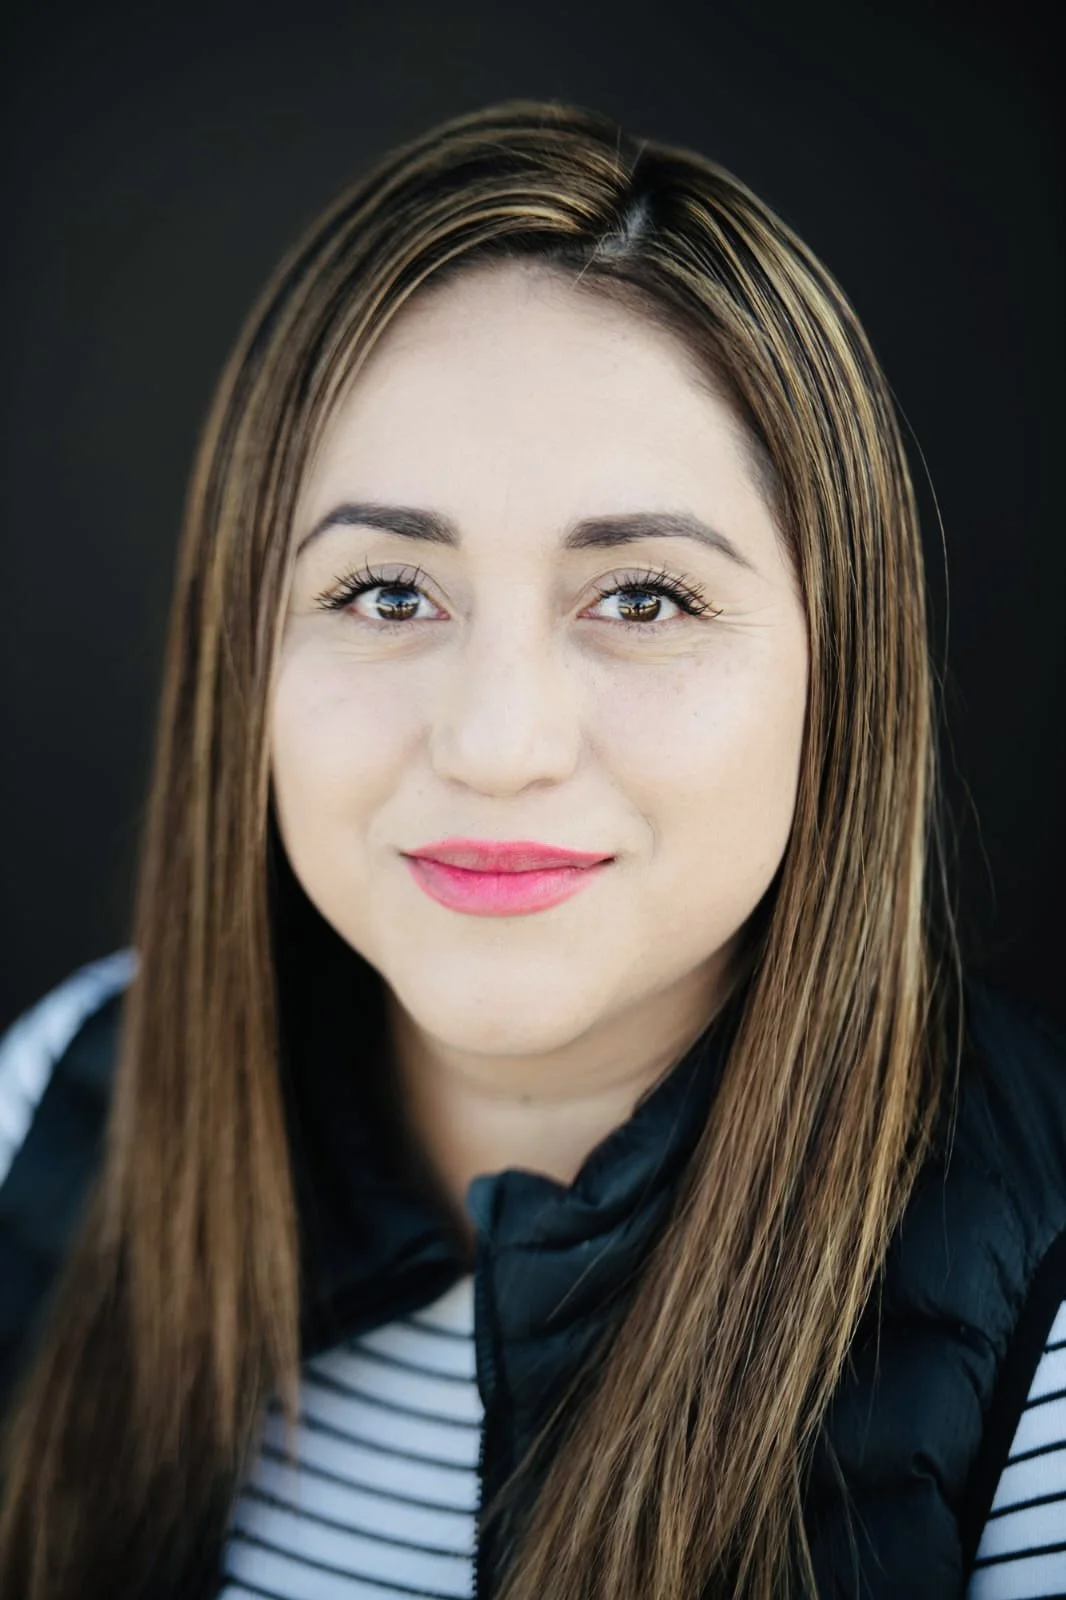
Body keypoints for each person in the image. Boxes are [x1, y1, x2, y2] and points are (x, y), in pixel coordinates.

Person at [1, 97, 1064, 1600]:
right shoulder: (54, 1100)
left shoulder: (1044, 1315)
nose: (496, 743)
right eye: (385, 593)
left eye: (640, 598)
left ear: (845, 672)